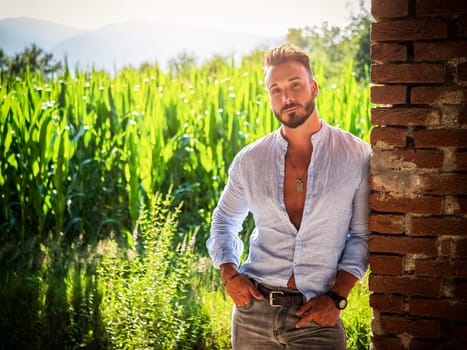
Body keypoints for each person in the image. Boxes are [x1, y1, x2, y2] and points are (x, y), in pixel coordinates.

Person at [206, 44, 371, 349]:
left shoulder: (356, 155)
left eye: (295, 84)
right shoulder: (250, 160)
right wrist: (229, 274)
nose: (287, 97)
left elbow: (362, 236)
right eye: (275, 89)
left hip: (316, 316)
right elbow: (224, 220)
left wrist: (338, 297)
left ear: (313, 87)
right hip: (252, 315)